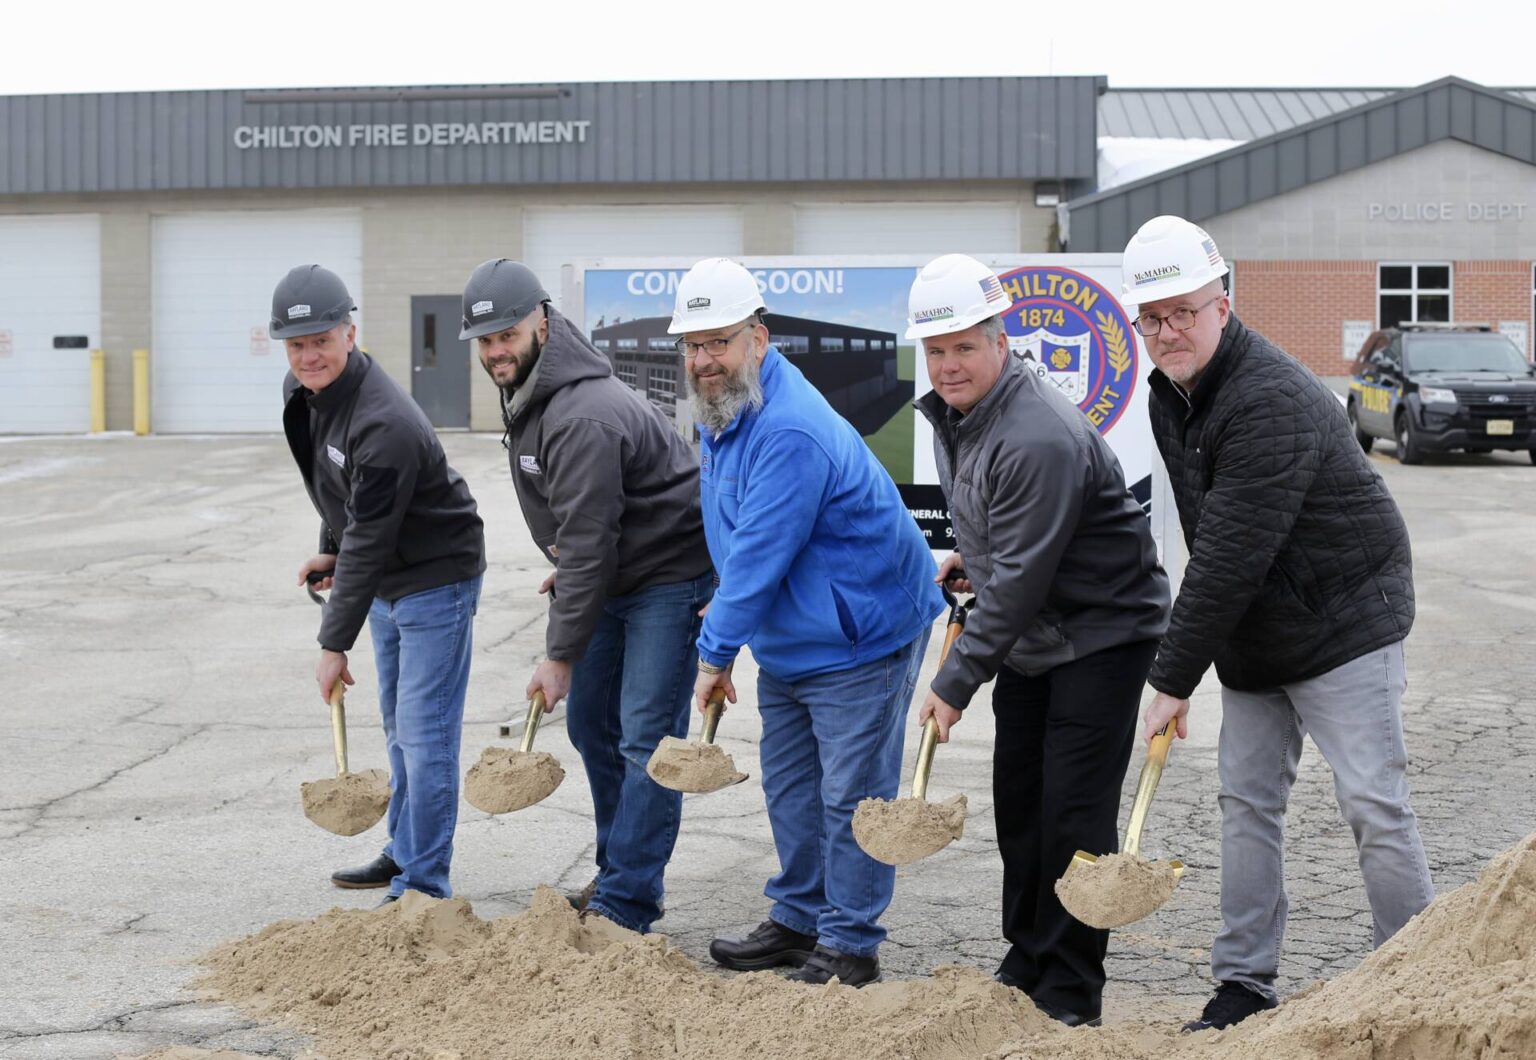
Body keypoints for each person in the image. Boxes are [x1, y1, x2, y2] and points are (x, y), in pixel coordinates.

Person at [1123, 216, 1433, 1031]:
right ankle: (1243, 984)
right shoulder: (1169, 395)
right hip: (1258, 629)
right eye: (1152, 318)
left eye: (1184, 311)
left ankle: (1416, 983)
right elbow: (1210, 537)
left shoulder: (1269, 398)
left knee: (1373, 802)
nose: (1168, 331)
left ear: (1222, 305)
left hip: (1344, 617)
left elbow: (1229, 553)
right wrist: (1195, 652)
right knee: (1247, 801)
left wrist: (1171, 678)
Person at [909, 254, 1171, 1027]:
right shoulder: (963, 414)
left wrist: (953, 683)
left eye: (964, 346)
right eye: (936, 350)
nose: (949, 365)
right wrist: (973, 557)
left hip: (1103, 630)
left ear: (1000, 340)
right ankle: (1026, 954)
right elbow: (1010, 543)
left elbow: (1022, 579)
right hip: (1037, 628)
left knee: (1072, 812)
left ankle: (1069, 986)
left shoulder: (1037, 434)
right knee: (1021, 800)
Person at [675, 257, 945, 987]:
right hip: (795, 635)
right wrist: (730, 624)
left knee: (850, 794)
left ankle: (850, 943)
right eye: (693, 345)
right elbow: (737, 540)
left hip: (861, 632)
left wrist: (713, 655)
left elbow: (761, 552)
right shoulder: (727, 412)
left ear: (757, 339)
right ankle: (799, 919)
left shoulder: (788, 428)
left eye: (720, 341)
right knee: (792, 787)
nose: (705, 359)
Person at [460, 258, 714, 933]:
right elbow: (585, 532)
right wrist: (578, 571)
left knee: (645, 739)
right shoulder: (537, 393)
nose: (496, 352)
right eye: (485, 341)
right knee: (591, 725)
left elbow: (590, 535)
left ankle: (627, 901)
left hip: (668, 578)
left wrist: (559, 651)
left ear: (542, 323)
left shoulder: (581, 413)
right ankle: (618, 868)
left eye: (508, 335)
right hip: (613, 574)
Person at [276, 264, 486, 902]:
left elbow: (369, 535)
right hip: (388, 577)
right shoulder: (307, 392)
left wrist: (332, 642)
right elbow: (337, 490)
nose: (309, 356)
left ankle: (423, 885)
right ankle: (405, 851)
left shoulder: (384, 421)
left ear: (350, 332)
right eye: (297, 344)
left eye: (322, 340)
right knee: (400, 728)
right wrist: (330, 549)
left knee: (426, 735)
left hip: (435, 579)